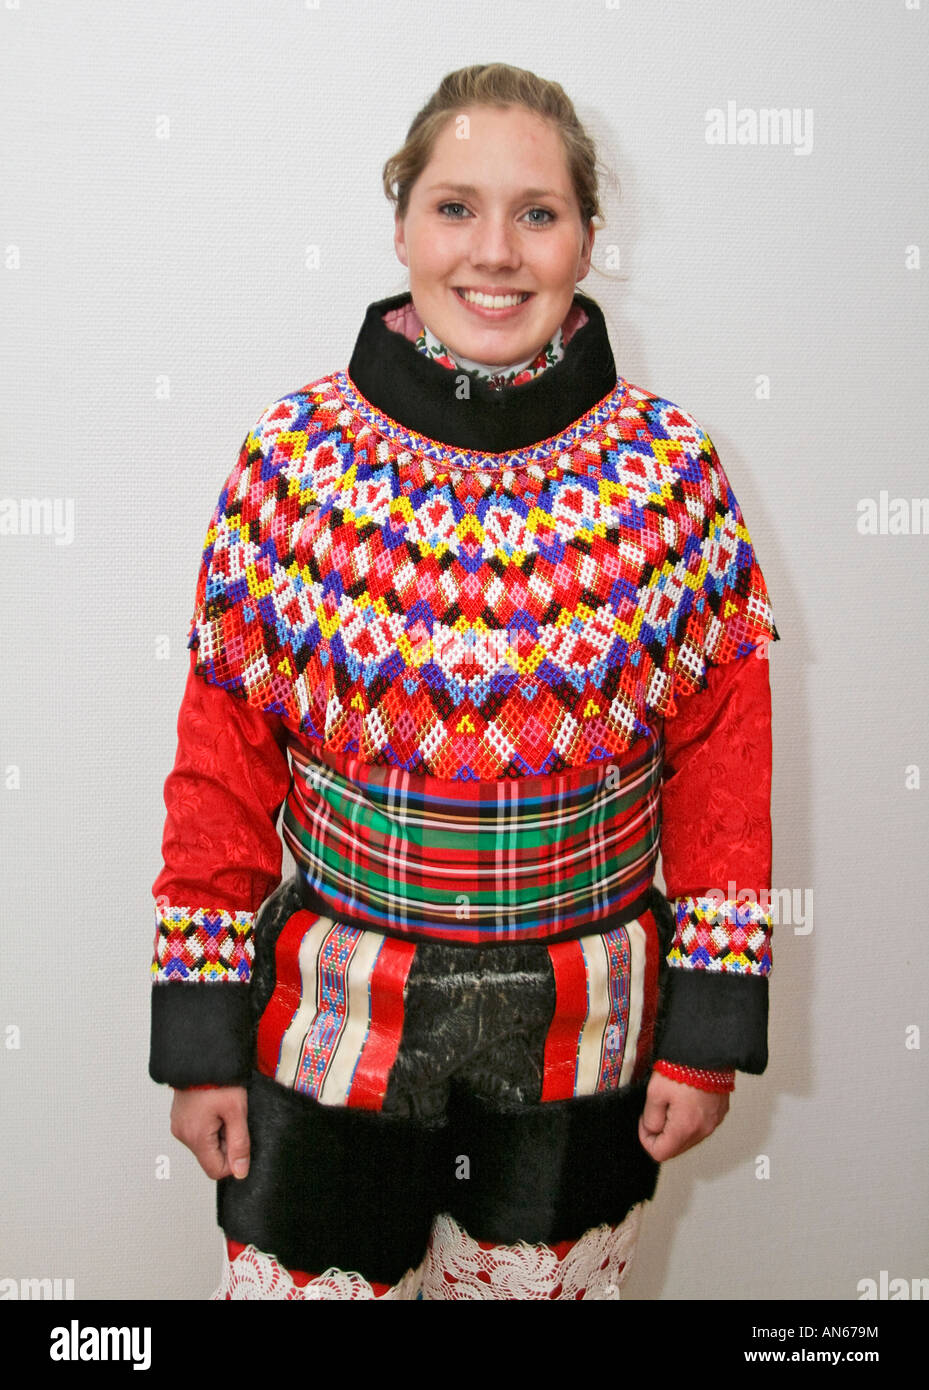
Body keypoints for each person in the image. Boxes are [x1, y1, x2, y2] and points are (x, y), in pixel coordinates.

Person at [149, 63, 779, 1300]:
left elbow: (722, 755)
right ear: (400, 224)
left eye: (537, 213)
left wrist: (705, 1036)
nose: (494, 251)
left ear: (588, 240)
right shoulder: (292, 463)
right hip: (331, 1033)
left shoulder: (669, 473)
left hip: (581, 1047)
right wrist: (200, 1037)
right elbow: (220, 763)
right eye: (454, 207)